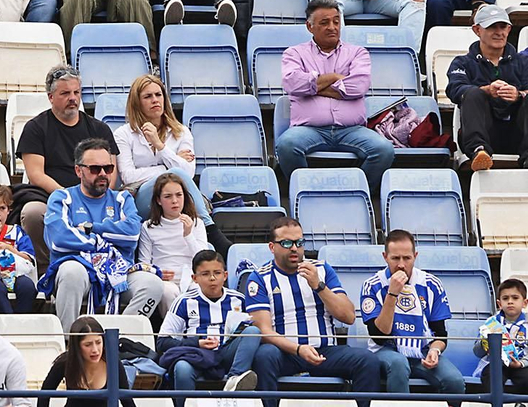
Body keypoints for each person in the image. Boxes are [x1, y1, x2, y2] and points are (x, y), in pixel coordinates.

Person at [245, 215, 381, 404]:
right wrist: (299, 349)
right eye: (286, 243)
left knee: (367, 360)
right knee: (264, 355)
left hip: (324, 351)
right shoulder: (259, 278)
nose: (294, 248)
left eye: (299, 242)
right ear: (272, 247)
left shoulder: (322, 269)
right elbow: (264, 331)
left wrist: (319, 286)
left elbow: (348, 316)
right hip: (285, 353)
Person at [277, 0, 397, 195]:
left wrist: (313, 85)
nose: (332, 27)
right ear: (310, 27)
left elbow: (358, 86)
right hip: (309, 130)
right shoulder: (294, 53)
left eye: (336, 21)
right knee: (287, 145)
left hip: (351, 129)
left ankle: (356, 195)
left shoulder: (358, 53)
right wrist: (334, 78)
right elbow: (293, 83)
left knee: (384, 150)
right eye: (324, 23)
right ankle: (307, 193)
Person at [41, 139, 160, 327]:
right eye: (95, 169)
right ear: (79, 171)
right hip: (80, 269)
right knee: (72, 272)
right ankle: (69, 345)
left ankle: (119, 340)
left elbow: (131, 235)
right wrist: (103, 242)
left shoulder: (122, 198)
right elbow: (59, 239)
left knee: (152, 285)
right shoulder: (63, 197)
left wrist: (91, 229)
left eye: (108, 168)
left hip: (119, 271)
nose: (103, 174)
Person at [14, 66, 118, 267]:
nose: (73, 98)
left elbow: (111, 172)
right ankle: (43, 269)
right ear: (51, 97)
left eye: (76, 92)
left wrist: (92, 199)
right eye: (65, 93)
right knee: (33, 212)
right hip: (52, 196)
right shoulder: (35, 128)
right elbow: (36, 174)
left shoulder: (99, 129)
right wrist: (69, 199)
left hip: (96, 196)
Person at [359, 229, 464, 396]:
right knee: (399, 364)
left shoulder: (431, 284)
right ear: (385, 257)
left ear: (415, 256)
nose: (401, 264)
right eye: (395, 258)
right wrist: (392, 294)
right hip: (386, 350)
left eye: (407, 258)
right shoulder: (372, 285)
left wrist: (434, 350)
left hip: (421, 350)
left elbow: (441, 334)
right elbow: (378, 336)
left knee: (454, 381)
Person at [156, 249, 260, 400]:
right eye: (205, 274)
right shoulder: (183, 302)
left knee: (253, 331)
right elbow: (162, 342)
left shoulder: (239, 299)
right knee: (182, 368)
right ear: (194, 278)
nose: (212, 278)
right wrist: (197, 343)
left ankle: (234, 379)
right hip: (196, 356)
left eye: (217, 273)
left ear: (225, 275)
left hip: (227, 354)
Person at [114, 74, 207, 223]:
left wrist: (160, 146)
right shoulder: (122, 134)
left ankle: (204, 227)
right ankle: (209, 226)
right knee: (176, 172)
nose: (155, 100)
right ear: (137, 103)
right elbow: (128, 177)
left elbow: (188, 174)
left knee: (178, 177)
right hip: (141, 199)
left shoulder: (182, 132)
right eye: (148, 96)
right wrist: (167, 169)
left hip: (175, 198)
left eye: (158, 95)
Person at [448, 4, 528, 172]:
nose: (499, 32)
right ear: (477, 30)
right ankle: (479, 150)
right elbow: (455, 91)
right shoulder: (462, 62)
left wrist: (519, 94)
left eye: (502, 26)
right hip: (483, 129)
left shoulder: (524, 62)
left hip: (518, 131)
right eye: (492, 27)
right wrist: (486, 90)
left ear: (509, 29)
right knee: (471, 93)